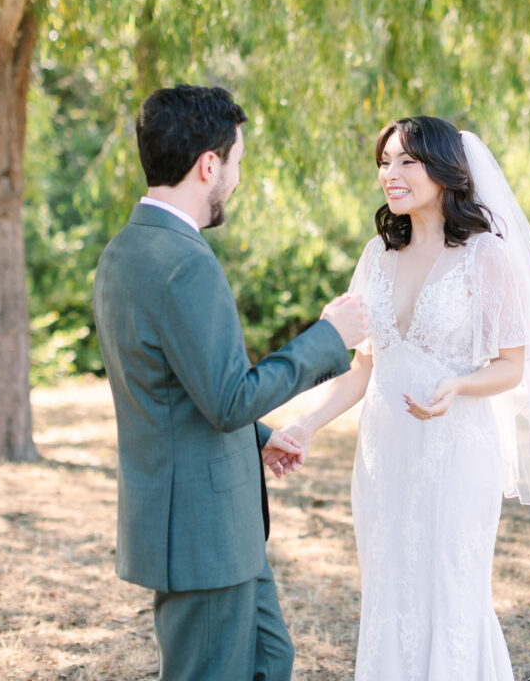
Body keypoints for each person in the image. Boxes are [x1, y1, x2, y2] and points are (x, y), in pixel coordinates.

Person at [279, 116, 530, 679]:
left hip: (457, 449)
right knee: (390, 588)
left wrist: (458, 385)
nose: (389, 175)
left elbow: (511, 367)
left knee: (451, 589)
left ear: (444, 171)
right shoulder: (376, 255)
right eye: (383, 162)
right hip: (383, 455)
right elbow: (361, 369)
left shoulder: (485, 256)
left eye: (405, 161)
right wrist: (306, 425)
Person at [92, 84, 369, 681]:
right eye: (238, 162)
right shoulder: (184, 262)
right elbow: (226, 398)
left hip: (215, 523)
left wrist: (258, 435)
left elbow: (174, 390)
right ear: (208, 165)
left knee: (270, 660)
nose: (238, 179)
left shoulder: (126, 250)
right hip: (201, 532)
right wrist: (329, 335)